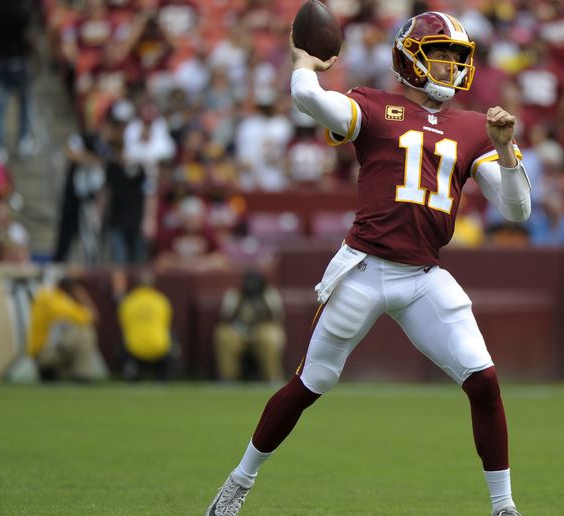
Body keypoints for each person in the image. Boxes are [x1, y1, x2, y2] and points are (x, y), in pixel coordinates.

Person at [206, 11, 530, 516]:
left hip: (424, 276)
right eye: (440, 55)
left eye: (455, 57)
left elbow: (516, 210)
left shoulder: (474, 127)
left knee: (484, 380)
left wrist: (507, 151)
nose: (450, 67)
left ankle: (504, 507)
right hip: (364, 269)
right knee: (311, 383)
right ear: (410, 60)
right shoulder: (376, 107)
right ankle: (238, 481)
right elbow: (308, 98)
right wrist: (303, 62)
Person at [0, 0, 37, 156]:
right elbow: (28, 36)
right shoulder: (22, 10)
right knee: (24, 103)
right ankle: (24, 141)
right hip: (17, 61)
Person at [26, 273, 108, 382]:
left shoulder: (45, 295)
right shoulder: (56, 301)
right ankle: (81, 374)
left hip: (43, 353)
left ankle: (56, 371)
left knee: (73, 330)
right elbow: (91, 319)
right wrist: (83, 297)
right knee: (85, 332)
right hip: (45, 355)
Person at [213, 270, 286, 383]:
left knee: (271, 337)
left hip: (262, 330)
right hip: (239, 331)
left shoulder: (270, 294)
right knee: (223, 334)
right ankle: (228, 376)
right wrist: (241, 300)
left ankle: (273, 377)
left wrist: (262, 300)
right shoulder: (235, 294)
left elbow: (276, 318)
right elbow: (225, 318)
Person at [114, 269, 174, 382]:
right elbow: (167, 324)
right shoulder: (161, 300)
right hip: (159, 350)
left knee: (122, 348)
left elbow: (123, 325)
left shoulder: (129, 301)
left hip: (134, 351)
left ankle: (131, 373)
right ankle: (162, 377)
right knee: (171, 343)